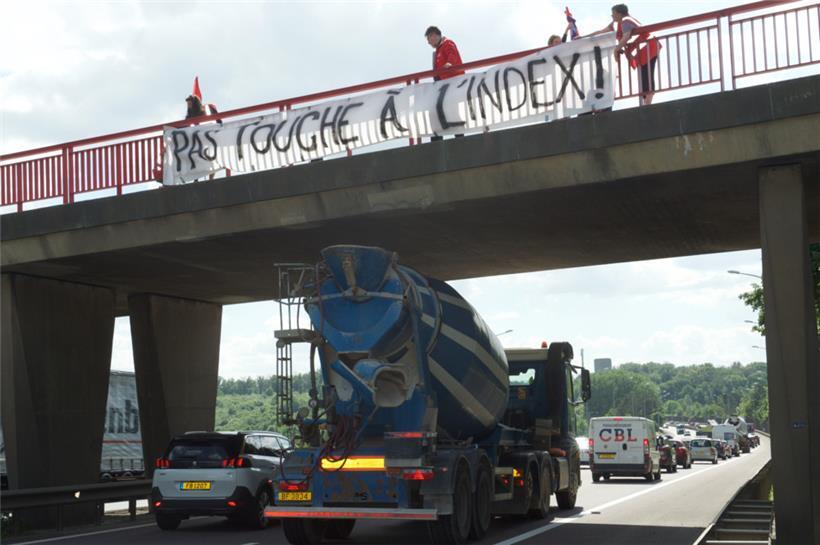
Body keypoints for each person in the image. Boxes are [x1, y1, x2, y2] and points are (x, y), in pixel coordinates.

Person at [590, 4, 660, 105]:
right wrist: (584, 37)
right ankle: (646, 103)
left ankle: (647, 104)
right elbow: (602, 31)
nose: (612, 16)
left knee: (647, 76)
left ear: (619, 14)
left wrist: (616, 49)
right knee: (645, 76)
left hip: (648, 47)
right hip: (644, 48)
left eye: (613, 14)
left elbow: (626, 36)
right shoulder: (619, 23)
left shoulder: (625, 21)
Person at [425, 26, 465, 141]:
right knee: (438, 112)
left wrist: (449, 64)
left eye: (429, 39)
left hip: (451, 85)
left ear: (434, 35)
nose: (429, 42)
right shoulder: (438, 50)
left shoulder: (447, 44)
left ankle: (459, 139)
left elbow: (452, 56)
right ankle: (438, 139)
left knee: (450, 111)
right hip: (444, 87)